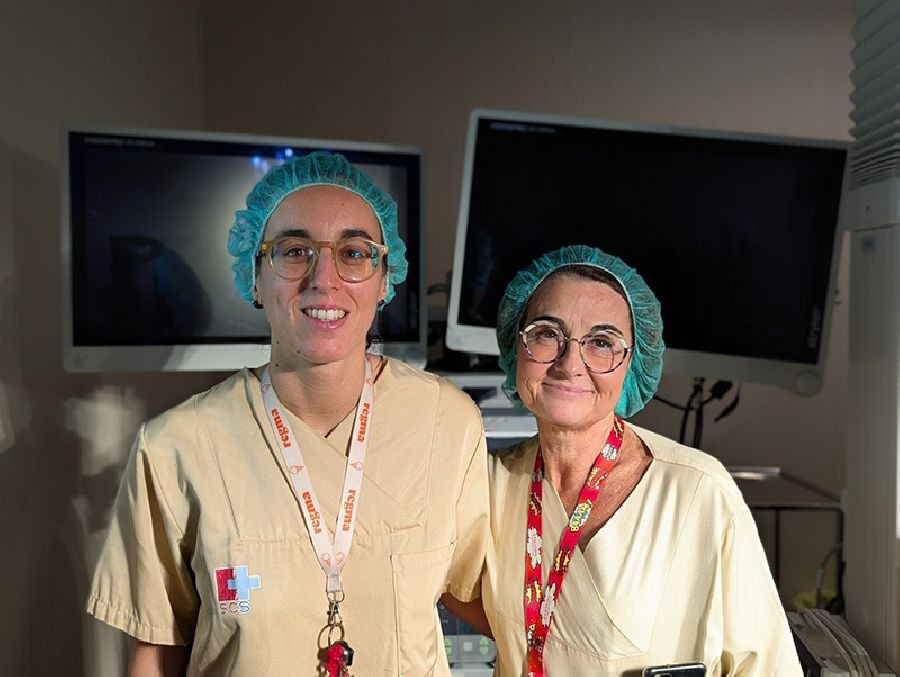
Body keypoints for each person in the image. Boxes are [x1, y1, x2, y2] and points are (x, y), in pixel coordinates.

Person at [86, 151, 489, 676]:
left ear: (383, 281)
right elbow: (158, 650)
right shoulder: (176, 448)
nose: (325, 278)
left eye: (354, 253)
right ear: (255, 279)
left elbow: (480, 595)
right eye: (295, 251)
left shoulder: (446, 423)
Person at [480, 245, 801, 675]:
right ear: (515, 345)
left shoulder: (697, 492)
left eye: (601, 343)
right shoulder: (489, 482)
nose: (570, 364)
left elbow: (768, 667)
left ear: (632, 364)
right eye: (547, 334)